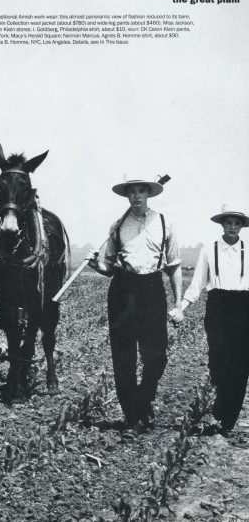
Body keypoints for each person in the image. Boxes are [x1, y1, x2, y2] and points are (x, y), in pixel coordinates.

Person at [87, 176, 182, 439]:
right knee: (124, 356)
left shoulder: (164, 222)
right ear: (127, 196)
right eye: (132, 192)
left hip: (152, 286)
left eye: (141, 191)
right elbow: (108, 268)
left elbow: (173, 267)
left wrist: (177, 303)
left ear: (149, 194)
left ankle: (144, 400)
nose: (137, 196)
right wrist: (96, 264)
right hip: (123, 288)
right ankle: (132, 417)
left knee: (156, 356)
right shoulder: (118, 226)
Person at [170, 204, 249, 436]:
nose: (233, 226)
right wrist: (181, 308)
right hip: (218, 307)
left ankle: (225, 419)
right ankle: (220, 408)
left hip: (244, 307)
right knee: (218, 361)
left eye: (237, 222)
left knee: (240, 365)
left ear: (242, 226)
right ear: (222, 224)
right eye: (229, 222)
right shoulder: (209, 250)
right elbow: (197, 285)